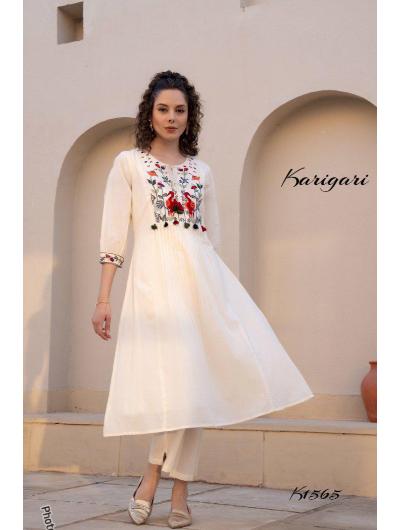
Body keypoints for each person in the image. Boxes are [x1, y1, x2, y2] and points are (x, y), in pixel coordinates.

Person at [91, 70, 314, 528]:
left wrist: (217, 294)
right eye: (163, 109)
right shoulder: (128, 164)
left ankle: (171, 486)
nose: (171, 117)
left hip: (200, 286)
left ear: (190, 117)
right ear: (149, 114)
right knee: (168, 387)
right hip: (152, 287)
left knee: (193, 385)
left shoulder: (202, 171)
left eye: (180, 110)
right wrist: (104, 299)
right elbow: (113, 235)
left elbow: (211, 238)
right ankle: (158, 478)